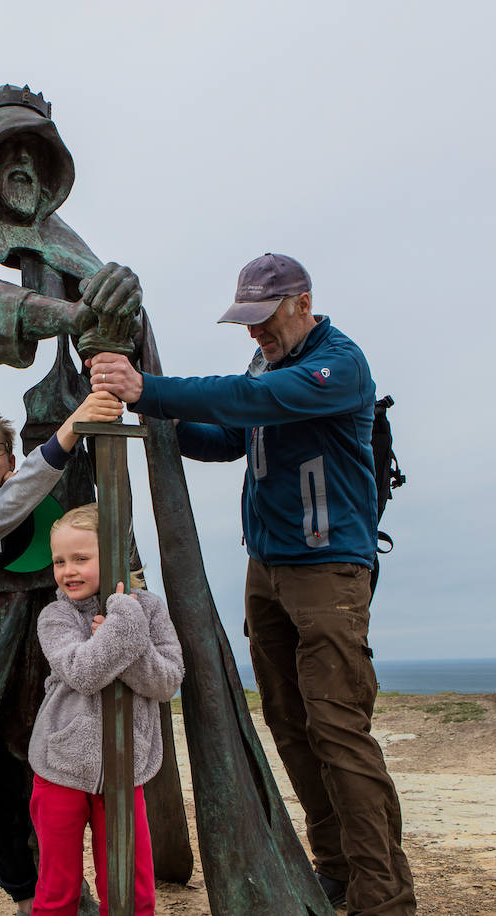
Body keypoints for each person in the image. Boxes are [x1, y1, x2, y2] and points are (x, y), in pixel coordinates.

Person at [88, 253, 416, 916]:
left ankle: (384, 897)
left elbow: (251, 402)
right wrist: (156, 424)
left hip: (329, 571)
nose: (253, 335)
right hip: (266, 569)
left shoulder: (339, 365)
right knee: (292, 726)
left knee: (338, 729)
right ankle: (334, 872)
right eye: (246, 322)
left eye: (263, 319)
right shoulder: (266, 361)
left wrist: (148, 388)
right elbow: (230, 436)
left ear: (302, 302)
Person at [0, 391, 124, 914]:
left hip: (33, 669)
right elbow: (15, 499)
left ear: (11, 458)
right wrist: (71, 430)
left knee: (39, 780)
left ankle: (56, 891)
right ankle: (25, 894)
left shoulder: (50, 519)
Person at [27, 504, 184, 916]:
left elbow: (167, 682)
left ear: (113, 555)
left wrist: (128, 628)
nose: (68, 571)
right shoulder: (55, 616)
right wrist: (120, 632)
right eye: (60, 561)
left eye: (81, 558)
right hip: (60, 764)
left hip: (126, 768)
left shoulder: (147, 608)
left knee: (131, 891)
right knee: (58, 890)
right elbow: (82, 672)